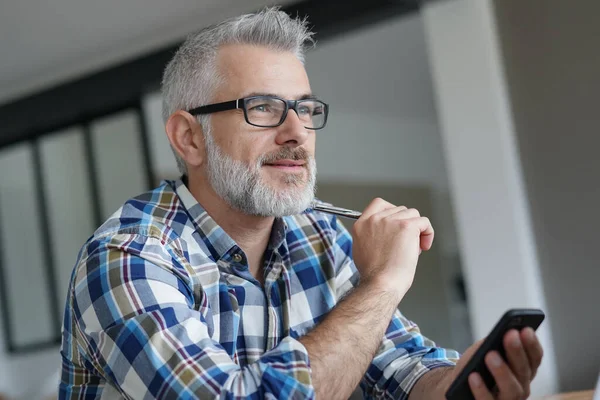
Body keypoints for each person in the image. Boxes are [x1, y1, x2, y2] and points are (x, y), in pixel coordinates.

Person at [59, 7, 544, 400]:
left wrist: (468, 385)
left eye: (305, 108)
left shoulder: (320, 239)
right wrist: (383, 283)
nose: (297, 133)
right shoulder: (128, 257)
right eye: (263, 108)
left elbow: (404, 371)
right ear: (189, 138)